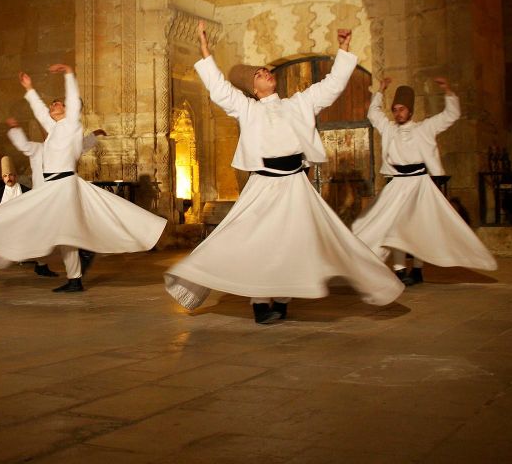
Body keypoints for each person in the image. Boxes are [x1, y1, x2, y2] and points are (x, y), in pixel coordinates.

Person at [164, 22, 404, 323]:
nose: (266, 73)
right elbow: (220, 91)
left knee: (295, 240)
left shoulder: (298, 104)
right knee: (258, 240)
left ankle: (283, 298)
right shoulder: (247, 109)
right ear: (253, 88)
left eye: (266, 70)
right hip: (264, 184)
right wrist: (205, 51)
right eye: (259, 74)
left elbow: (330, 87)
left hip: (294, 184)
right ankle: (260, 302)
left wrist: (342, 50)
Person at [0, 64, 167, 293]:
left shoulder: (71, 125)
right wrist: (29, 89)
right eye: (52, 103)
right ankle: (72, 278)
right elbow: (40, 112)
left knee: (65, 231)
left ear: (68, 110)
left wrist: (68, 74)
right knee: (52, 229)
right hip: (51, 187)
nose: (53, 105)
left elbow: (74, 103)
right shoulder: (55, 128)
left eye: (58, 103)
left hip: (64, 185)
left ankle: (73, 275)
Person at [351, 77, 497, 284]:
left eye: (402, 109)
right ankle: (400, 270)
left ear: (410, 111)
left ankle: (417, 270)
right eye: (395, 109)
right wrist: (380, 91)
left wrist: (448, 92)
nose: (398, 113)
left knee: (418, 227)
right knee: (394, 227)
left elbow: (451, 115)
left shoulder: (425, 128)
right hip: (397, 183)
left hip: (419, 183)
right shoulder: (389, 129)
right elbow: (373, 114)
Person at [6, 121, 106, 280]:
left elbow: (81, 147)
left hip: (60, 199)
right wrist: (15, 129)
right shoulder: (38, 149)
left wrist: (94, 135)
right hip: (42, 200)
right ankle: (43, 265)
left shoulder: (65, 151)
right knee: (41, 234)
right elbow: (24, 145)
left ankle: (76, 271)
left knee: (66, 236)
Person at [0, 154, 56, 276]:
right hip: (4, 226)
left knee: (39, 236)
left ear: (15, 176)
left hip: (24, 225)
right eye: (5, 176)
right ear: (2, 178)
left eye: (10, 175)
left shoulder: (26, 190)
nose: (8, 178)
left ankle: (41, 266)